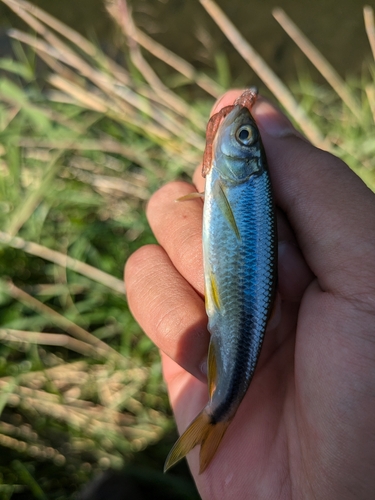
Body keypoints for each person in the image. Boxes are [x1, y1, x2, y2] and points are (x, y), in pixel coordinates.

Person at [125, 90, 375, 499]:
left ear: (248, 159)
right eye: (246, 136)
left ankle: (218, 413)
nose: (234, 132)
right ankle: (219, 412)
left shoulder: (245, 182)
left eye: (241, 137)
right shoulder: (238, 183)